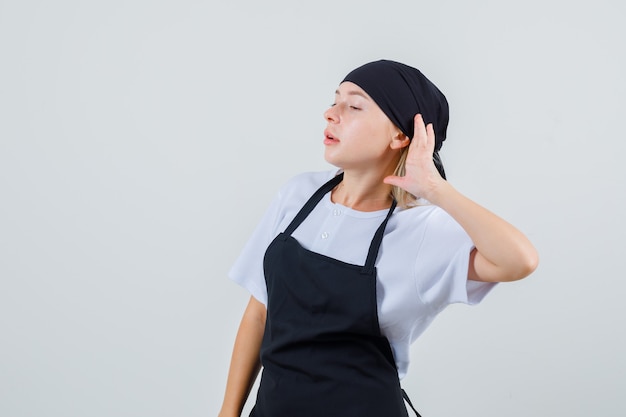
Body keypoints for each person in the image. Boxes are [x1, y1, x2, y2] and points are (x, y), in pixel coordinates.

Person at [218, 59, 538, 417]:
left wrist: (435, 188)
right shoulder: (297, 195)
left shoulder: (421, 230)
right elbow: (259, 313)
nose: (330, 113)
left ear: (400, 136)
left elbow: (519, 260)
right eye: (334, 99)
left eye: (353, 106)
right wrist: (228, 413)